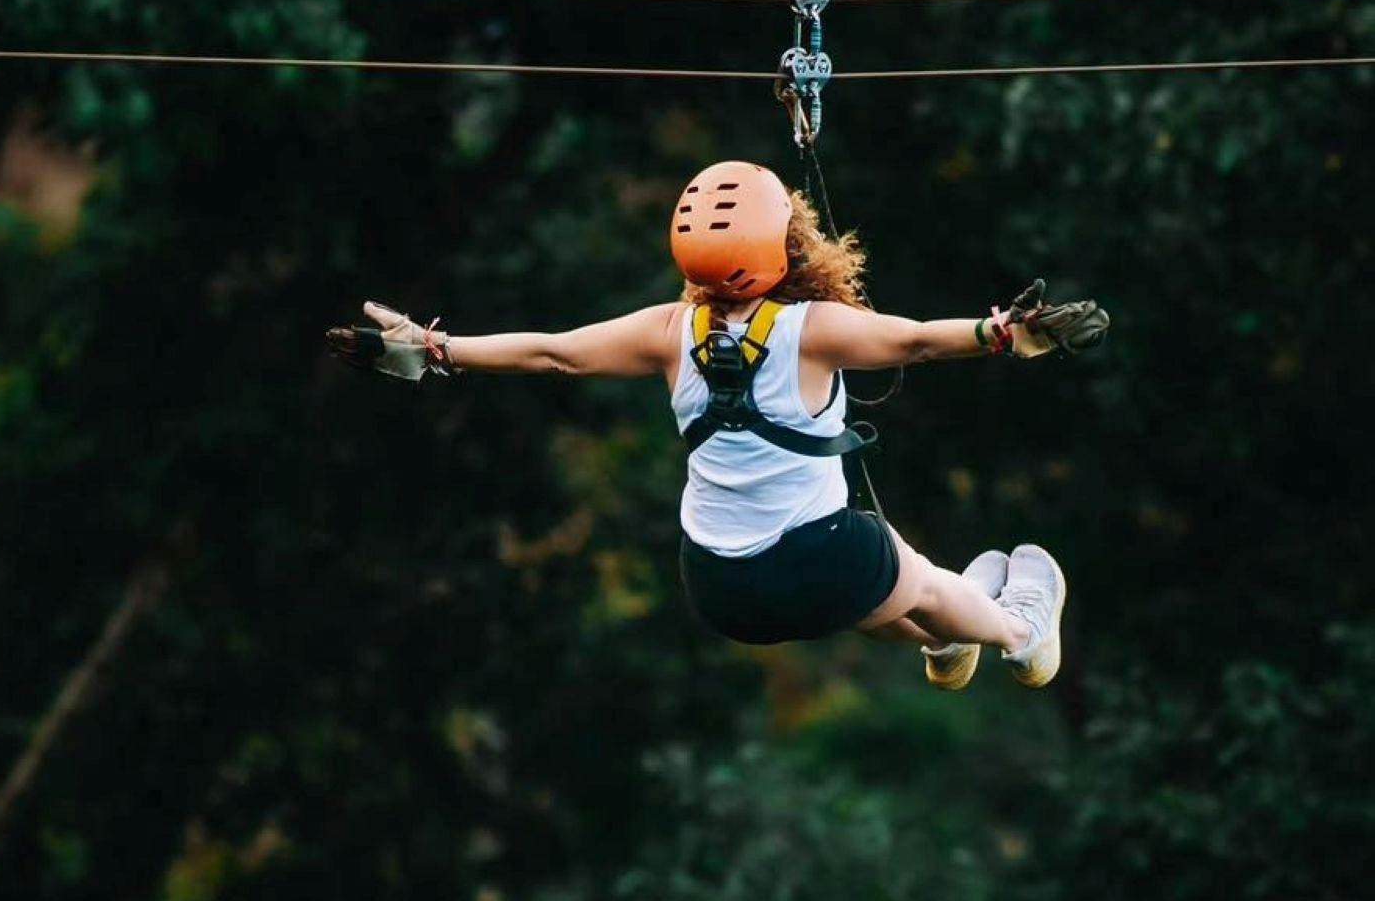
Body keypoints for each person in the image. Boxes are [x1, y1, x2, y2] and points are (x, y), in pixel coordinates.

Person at [332, 160, 1108, 690]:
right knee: (897, 563)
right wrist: (1000, 332)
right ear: (784, 243)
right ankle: (1017, 631)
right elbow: (910, 340)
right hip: (816, 561)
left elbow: (552, 354)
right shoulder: (814, 328)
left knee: (873, 585)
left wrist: (437, 349)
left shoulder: (670, 330)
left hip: (718, 587)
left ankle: (943, 639)